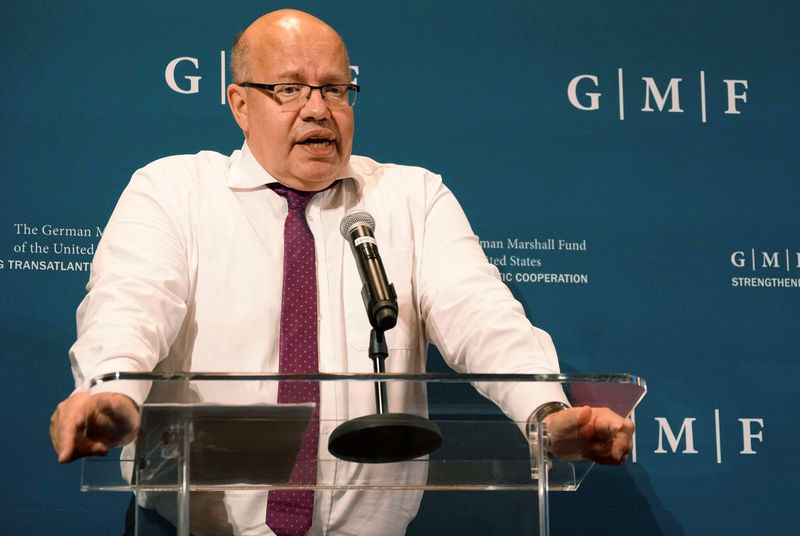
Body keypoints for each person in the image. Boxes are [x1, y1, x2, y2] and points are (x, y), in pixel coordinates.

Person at [50, 9, 635, 536]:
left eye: (335, 88)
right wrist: (113, 393)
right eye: (288, 88)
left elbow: (479, 312)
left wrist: (546, 413)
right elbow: (131, 305)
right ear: (239, 104)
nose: (317, 108)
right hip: (190, 526)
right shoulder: (174, 191)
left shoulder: (412, 196)